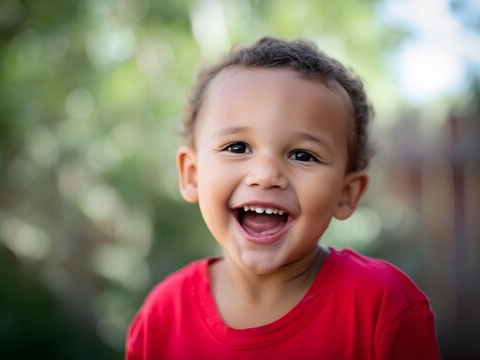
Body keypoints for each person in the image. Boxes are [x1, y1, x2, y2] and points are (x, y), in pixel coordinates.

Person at [125, 37, 441, 359]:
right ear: (192, 174)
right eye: (237, 147)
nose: (265, 175)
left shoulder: (384, 307)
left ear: (346, 194)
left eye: (303, 155)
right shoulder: (161, 319)